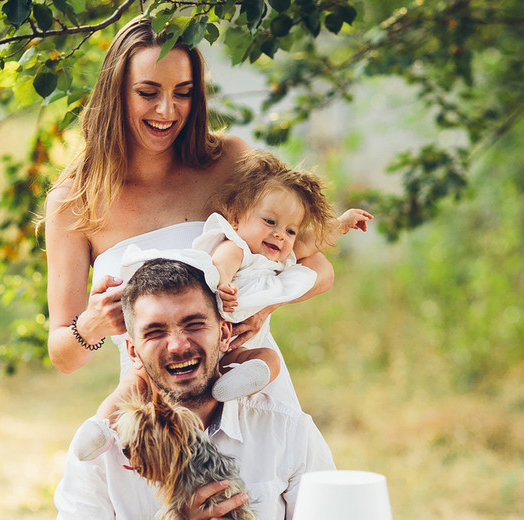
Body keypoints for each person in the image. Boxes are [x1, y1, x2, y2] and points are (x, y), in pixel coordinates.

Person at [44, 15, 334, 415]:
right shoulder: (73, 201)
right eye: (148, 92)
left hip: (254, 400)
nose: (167, 111)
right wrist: (93, 323)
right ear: (117, 94)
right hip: (158, 419)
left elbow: (315, 266)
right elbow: (63, 355)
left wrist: (265, 304)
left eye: (183, 93)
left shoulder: (230, 162)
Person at [69, 149, 372, 461]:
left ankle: (234, 382)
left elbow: (312, 244)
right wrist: (225, 282)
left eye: (289, 230)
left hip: (233, 344)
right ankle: (100, 427)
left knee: (268, 359)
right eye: (270, 222)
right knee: (136, 384)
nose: (280, 235)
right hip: (192, 343)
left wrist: (343, 222)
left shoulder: (278, 256)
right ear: (238, 218)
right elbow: (221, 264)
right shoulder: (237, 246)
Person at [55, 258, 336, 519]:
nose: (178, 345)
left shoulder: (288, 431)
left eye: (194, 324)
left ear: (225, 334)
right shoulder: (100, 454)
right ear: (132, 351)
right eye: (155, 332)